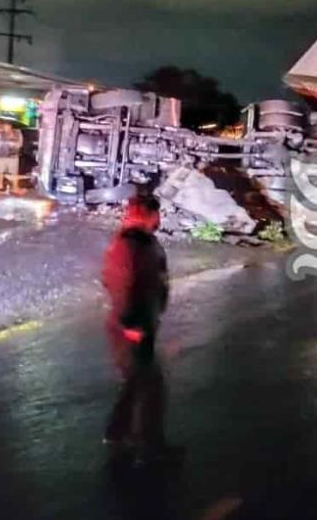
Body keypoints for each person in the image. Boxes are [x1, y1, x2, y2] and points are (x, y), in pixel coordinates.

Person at [101, 195, 178, 463]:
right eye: (156, 215)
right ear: (145, 214)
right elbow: (120, 286)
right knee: (151, 385)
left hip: (142, 321)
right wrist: (130, 324)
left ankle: (116, 432)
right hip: (131, 326)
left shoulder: (143, 241)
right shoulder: (129, 245)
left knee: (136, 380)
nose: (159, 220)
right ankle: (149, 447)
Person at [0, 123, 23, 193]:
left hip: (13, 157)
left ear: (11, 126)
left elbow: (19, 144)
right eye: (4, 126)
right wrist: (4, 143)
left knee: (14, 173)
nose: (6, 127)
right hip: (0, 156)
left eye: (8, 125)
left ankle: (15, 187)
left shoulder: (17, 133)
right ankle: (0, 186)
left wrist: (10, 143)